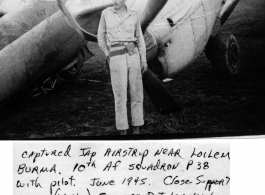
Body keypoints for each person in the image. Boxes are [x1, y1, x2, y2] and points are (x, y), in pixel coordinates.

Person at [97, 0, 148, 135]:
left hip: (133, 55)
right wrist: (108, 55)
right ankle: (122, 128)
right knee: (119, 94)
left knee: (136, 91)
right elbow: (100, 36)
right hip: (116, 57)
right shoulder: (106, 14)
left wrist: (143, 60)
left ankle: (137, 125)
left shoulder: (133, 15)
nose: (115, 1)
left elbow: (140, 38)